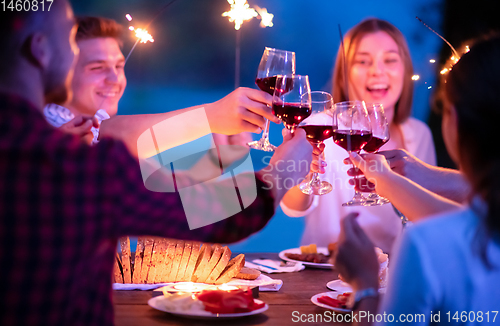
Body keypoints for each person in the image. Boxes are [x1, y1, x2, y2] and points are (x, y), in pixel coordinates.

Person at [0, 3, 313, 325]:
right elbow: (222, 218)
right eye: (69, 41)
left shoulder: (73, 153)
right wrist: (282, 171)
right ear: (39, 49)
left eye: (119, 65)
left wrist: (221, 153)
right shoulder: (77, 163)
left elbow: (164, 185)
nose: (113, 79)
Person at [334, 34, 500, 325]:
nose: (376, 70)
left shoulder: (426, 243)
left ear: (454, 121)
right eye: (363, 60)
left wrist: (365, 286)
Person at [281, 18, 437, 253]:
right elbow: (293, 208)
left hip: (393, 276)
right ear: (345, 73)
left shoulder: (418, 134)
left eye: (390, 60)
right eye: (363, 61)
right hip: (324, 274)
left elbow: (429, 219)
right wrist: (301, 173)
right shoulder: (323, 128)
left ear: (405, 70)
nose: (377, 71)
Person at [44, 16, 281, 154]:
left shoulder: (122, 153)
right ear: (59, 71)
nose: (115, 80)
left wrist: (225, 163)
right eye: (97, 68)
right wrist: (210, 117)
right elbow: (108, 134)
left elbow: (214, 225)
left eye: (118, 66)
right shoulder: (45, 129)